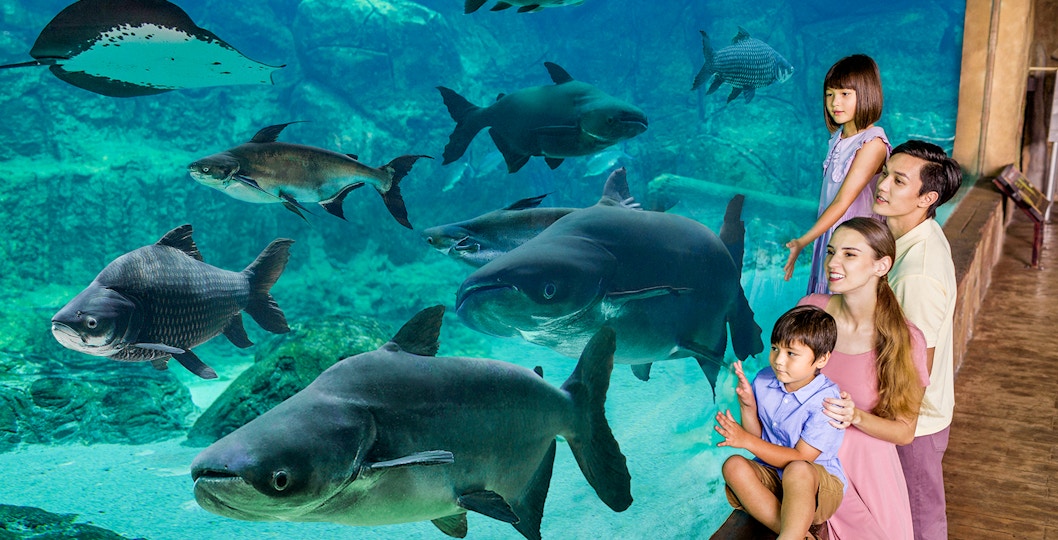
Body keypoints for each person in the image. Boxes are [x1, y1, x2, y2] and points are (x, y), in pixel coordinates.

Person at [798, 217, 929, 540]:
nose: (833, 263)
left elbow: (904, 432)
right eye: (831, 252)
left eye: (849, 254)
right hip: (809, 468)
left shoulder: (906, 339)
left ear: (881, 265)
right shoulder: (809, 310)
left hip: (869, 475)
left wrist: (855, 416)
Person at [872, 140, 962, 540]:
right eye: (886, 173)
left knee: (920, 519)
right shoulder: (915, 236)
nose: (883, 184)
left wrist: (891, 425)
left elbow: (915, 365)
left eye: (898, 180)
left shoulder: (916, 274)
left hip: (913, 423)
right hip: (909, 417)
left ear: (927, 197)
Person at [716, 305, 846, 540]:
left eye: (791, 353)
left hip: (815, 486)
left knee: (797, 469)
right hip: (773, 476)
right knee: (733, 465)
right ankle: (797, 536)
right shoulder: (765, 379)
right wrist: (748, 406)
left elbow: (800, 458)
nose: (778, 360)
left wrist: (745, 440)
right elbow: (758, 437)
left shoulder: (827, 402)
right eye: (775, 348)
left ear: (822, 358)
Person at [784, 54, 891, 294]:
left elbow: (843, 202)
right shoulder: (837, 138)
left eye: (845, 94)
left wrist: (803, 240)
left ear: (866, 94)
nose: (835, 103)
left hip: (855, 242)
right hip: (831, 234)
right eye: (830, 94)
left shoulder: (873, 143)